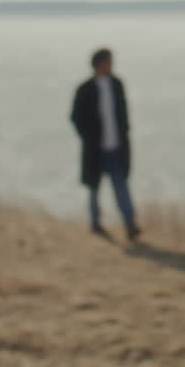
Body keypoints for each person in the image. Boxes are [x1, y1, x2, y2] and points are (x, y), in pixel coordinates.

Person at [70, 47, 141, 241]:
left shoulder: (117, 85)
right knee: (94, 188)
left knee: (121, 186)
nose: (112, 65)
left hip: (116, 147)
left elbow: (124, 115)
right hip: (95, 150)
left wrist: (125, 133)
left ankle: (130, 224)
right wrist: (89, 138)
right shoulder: (85, 89)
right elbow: (76, 118)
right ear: (99, 64)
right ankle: (95, 223)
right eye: (109, 61)